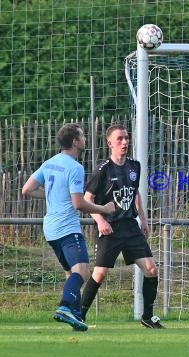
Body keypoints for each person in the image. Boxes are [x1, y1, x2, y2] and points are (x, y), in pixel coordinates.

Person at [22, 123, 115, 331]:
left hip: (50, 229)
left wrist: (50, 195)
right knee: (82, 272)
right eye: (82, 136)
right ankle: (64, 307)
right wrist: (104, 208)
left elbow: (27, 190)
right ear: (75, 141)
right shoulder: (74, 167)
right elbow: (78, 203)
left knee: (70, 272)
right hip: (66, 227)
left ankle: (74, 316)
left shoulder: (49, 163)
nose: (84, 139)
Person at [79, 122, 165, 328]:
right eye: (120, 139)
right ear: (110, 143)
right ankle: (79, 315)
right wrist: (99, 221)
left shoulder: (135, 166)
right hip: (110, 227)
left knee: (151, 270)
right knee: (100, 274)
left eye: (126, 138)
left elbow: (135, 193)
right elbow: (87, 198)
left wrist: (143, 219)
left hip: (130, 227)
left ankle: (148, 316)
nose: (125, 142)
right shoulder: (103, 170)